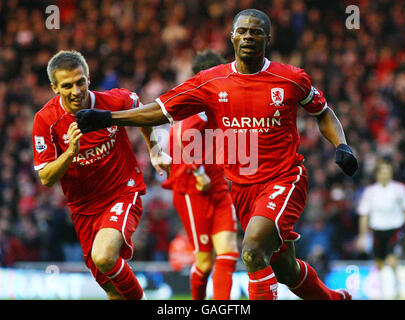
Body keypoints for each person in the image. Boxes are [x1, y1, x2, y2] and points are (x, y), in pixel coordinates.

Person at [76, 9, 358, 300]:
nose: (249, 36)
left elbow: (323, 112)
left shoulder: (290, 78)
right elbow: (158, 111)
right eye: (243, 31)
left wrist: (342, 145)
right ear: (232, 37)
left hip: (284, 179)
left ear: (268, 38)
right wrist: (107, 118)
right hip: (242, 188)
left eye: (256, 32)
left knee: (250, 253)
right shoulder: (210, 82)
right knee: (285, 269)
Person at [32, 50, 170, 300]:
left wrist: (155, 149)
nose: (76, 91)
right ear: (54, 88)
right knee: (112, 289)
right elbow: (46, 178)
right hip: (83, 208)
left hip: (122, 191)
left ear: (88, 78)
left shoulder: (113, 101)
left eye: (80, 81)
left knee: (105, 256)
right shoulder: (46, 120)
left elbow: (141, 110)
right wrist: (70, 153)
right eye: (67, 85)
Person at [162, 50, 239, 300]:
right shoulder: (194, 104)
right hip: (192, 191)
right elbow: (182, 135)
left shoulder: (221, 102)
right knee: (205, 262)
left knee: (228, 253)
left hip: (217, 187)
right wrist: (197, 171)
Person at [357, 160, 405, 299]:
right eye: (383, 172)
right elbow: (364, 215)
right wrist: (362, 236)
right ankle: (381, 291)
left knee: (392, 260)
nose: (385, 175)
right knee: (379, 263)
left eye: (388, 172)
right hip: (377, 231)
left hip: (395, 229)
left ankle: (397, 289)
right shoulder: (370, 192)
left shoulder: (400, 189)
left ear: (391, 174)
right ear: (377, 174)